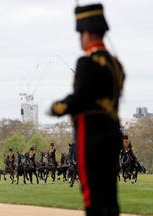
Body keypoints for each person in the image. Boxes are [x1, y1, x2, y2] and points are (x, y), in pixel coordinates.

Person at [49, 3, 125, 215]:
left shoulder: (87, 62)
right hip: (112, 132)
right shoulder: (116, 64)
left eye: (81, 34)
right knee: (109, 198)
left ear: (88, 33)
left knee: (93, 198)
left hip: (92, 134)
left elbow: (79, 99)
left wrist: (57, 107)